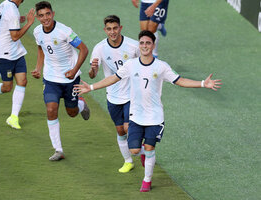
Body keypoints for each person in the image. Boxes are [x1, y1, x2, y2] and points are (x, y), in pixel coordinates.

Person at [74, 30, 222, 192]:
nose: (144, 46)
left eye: (148, 43)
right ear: (139, 45)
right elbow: (113, 78)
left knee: (150, 148)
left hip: (154, 117)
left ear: (153, 45)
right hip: (136, 116)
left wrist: (202, 83)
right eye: (142, 43)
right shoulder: (131, 65)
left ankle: (147, 180)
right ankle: (146, 154)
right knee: (134, 150)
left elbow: (180, 81)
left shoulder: (161, 66)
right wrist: (92, 87)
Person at [31, 1, 90, 161]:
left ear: (53, 14)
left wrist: (74, 70)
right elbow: (41, 48)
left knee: (71, 113)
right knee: (51, 110)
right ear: (37, 17)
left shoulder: (65, 31)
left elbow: (84, 49)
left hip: (70, 79)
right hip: (50, 78)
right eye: (41, 16)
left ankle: (81, 104)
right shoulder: (37, 32)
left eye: (48, 14)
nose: (45, 18)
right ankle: (58, 150)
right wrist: (38, 67)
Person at [89, 15, 140, 173]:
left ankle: (146, 152)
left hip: (131, 95)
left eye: (115, 28)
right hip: (112, 96)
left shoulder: (133, 46)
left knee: (127, 128)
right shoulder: (99, 48)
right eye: (109, 29)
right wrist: (93, 69)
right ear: (105, 30)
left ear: (120, 28)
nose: (112, 32)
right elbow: (92, 75)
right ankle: (128, 161)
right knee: (120, 131)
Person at [0, 0, 35, 129]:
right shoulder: (12, 10)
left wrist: (14, 21)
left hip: (17, 52)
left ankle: (13, 117)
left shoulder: (3, 4)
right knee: (7, 87)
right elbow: (15, 36)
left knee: (22, 81)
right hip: (5, 53)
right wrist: (29, 23)